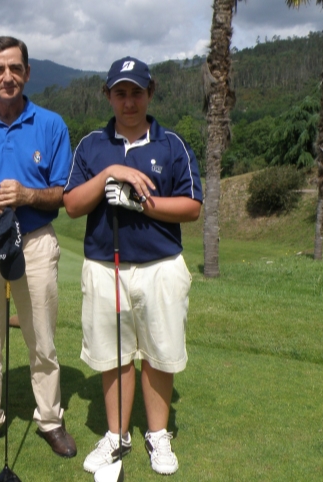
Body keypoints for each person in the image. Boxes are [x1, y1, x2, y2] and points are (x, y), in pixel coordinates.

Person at [63, 56, 203, 476]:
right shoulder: (91, 146)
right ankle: (116, 434)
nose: (128, 102)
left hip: (161, 265)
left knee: (159, 353)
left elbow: (192, 207)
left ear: (150, 93)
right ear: (108, 95)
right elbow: (71, 205)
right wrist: (110, 172)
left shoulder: (171, 144)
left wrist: (145, 203)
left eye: (136, 92)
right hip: (106, 266)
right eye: (120, 93)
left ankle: (157, 435)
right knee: (114, 355)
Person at [0, 36, 77, 461]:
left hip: (36, 242)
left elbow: (62, 192)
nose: (8, 77)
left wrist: (26, 195)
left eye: (16, 68)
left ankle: (50, 419)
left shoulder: (51, 124)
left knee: (41, 339)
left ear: (27, 73)